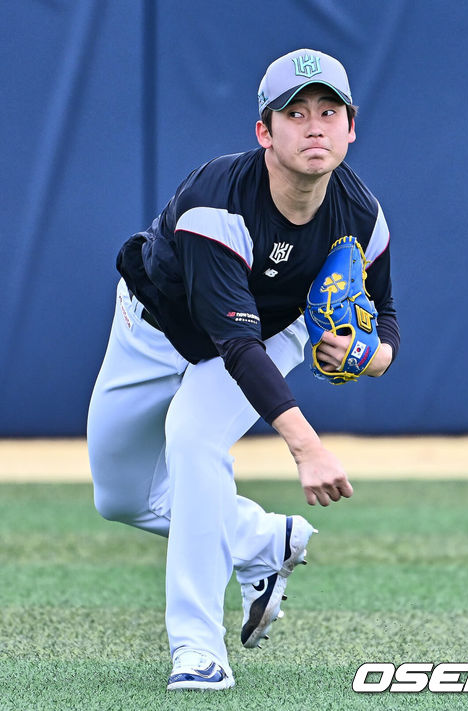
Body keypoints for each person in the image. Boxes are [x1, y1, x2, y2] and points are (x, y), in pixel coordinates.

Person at [87, 48, 399, 691]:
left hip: (269, 333)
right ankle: (260, 539)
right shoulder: (217, 204)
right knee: (118, 496)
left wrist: (372, 355)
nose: (314, 126)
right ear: (265, 132)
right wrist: (306, 446)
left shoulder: (362, 218)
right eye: (295, 113)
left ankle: (198, 649)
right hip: (155, 330)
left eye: (329, 111)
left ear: (350, 127)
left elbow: (386, 312)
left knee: (194, 440)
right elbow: (234, 344)